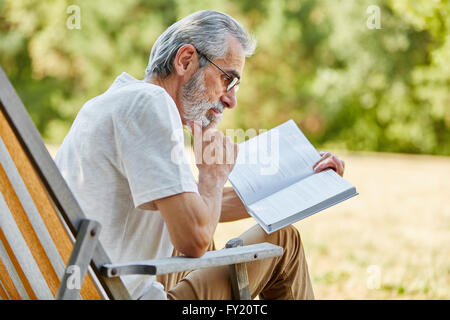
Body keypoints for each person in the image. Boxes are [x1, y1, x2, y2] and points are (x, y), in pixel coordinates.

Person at [55, 10, 345, 300]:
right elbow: (193, 238)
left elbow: (192, 206)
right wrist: (214, 173)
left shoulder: (116, 101)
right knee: (284, 240)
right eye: (228, 80)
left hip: (85, 281)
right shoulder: (151, 103)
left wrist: (302, 181)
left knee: (212, 233)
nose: (231, 100)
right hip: (115, 292)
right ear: (185, 60)